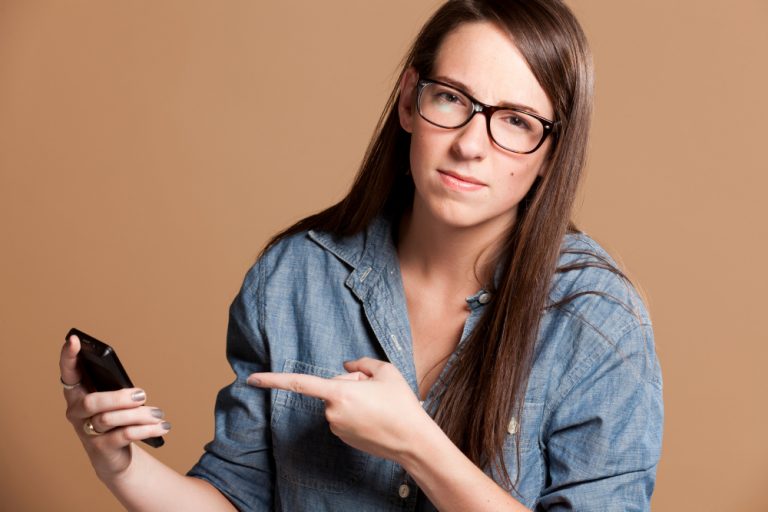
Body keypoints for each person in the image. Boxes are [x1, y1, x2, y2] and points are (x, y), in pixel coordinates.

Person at [59, 0, 663, 510]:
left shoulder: (597, 320)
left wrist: (415, 445)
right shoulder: (294, 276)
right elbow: (236, 496)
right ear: (409, 101)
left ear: (552, 151)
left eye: (516, 121)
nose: (471, 146)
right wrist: (119, 465)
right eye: (452, 99)